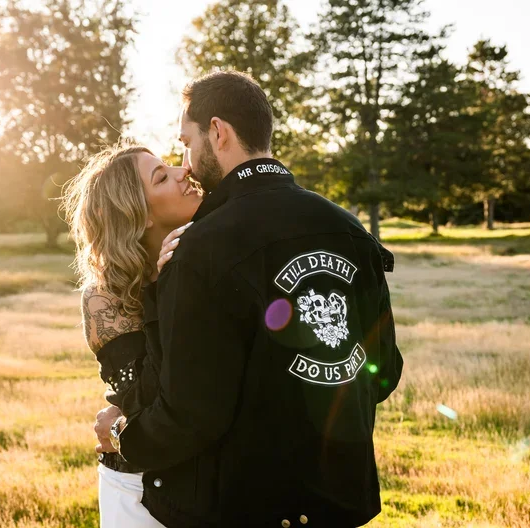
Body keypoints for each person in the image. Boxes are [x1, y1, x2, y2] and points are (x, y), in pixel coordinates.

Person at [94, 70, 403, 528]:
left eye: (186, 142)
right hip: (339, 502)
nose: (187, 162)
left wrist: (124, 438)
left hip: (244, 507)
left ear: (217, 133)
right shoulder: (350, 229)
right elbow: (382, 372)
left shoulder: (196, 248)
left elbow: (192, 415)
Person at [62, 143, 202, 527]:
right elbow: (147, 404)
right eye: (161, 176)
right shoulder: (104, 298)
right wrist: (161, 293)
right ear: (137, 218)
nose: (182, 172)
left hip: (211, 482)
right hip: (139, 490)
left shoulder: (209, 259)